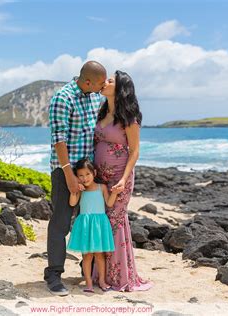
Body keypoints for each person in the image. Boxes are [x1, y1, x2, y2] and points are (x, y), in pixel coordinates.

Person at [44, 61, 107, 296]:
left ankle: (86, 270)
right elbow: (59, 140)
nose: (103, 86)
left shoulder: (95, 98)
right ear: (88, 81)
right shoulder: (63, 98)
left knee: (88, 221)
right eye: (101, 82)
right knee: (60, 223)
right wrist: (69, 175)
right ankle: (53, 275)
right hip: (65, 171)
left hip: (88, 174)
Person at [93, 70, 152, 291]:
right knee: (102, 222)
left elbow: (135, 151)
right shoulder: (101, 113)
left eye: (110, 81)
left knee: (115, 223)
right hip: (99, 178)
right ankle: (101, 275)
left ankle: (119, 277)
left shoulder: (129, 117)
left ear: (120, 88)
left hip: (119, 177)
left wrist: (124, 179)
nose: (105, 82)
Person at [67, 158, 123, 293]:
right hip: (86, 226)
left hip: (99, 225)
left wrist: (114, 193)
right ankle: (89, 284)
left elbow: (109, 203)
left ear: (94, 173)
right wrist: (74, 190)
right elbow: (72, 203)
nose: (84, 178)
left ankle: (102, 282)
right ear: (77, 177)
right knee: (87, 256)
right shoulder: (81, 190)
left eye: (87, 174)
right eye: (80, 175)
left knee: (99, 255)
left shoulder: (101, 187)